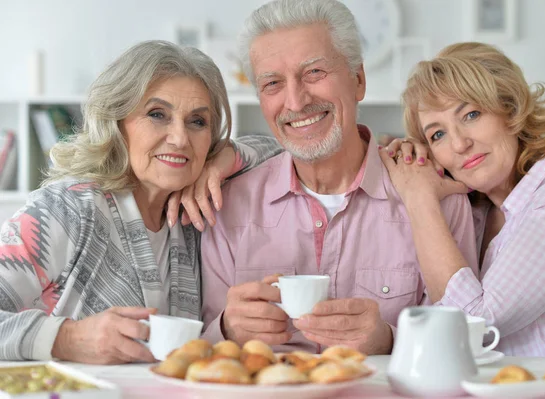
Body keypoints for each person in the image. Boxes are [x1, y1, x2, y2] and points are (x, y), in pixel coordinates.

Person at [198, 0, 479, 355]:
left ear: (358, 80)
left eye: (314, 72)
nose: (296, 102)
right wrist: (225, 328)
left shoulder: (436, 199)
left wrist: (390, 340)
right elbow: (201, 350)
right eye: (272, 83)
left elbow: (467, 341)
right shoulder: (225, 206)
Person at [0, 40, 281, 364]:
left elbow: (279, 148)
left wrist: (223, 161)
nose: (179, 138)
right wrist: (66, 338)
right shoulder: (67, 209)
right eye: (157, 114)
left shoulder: (192, 215)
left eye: (198, 121)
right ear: (117, 122)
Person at [381, 42, 545, 356]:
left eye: (471, 114)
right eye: (437, 134)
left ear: (510, 109)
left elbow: (473, 325)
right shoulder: (473, 215)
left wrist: (419, 199)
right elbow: (432, 326)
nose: (459, 143)